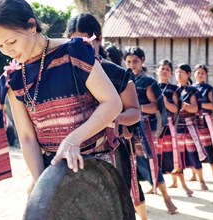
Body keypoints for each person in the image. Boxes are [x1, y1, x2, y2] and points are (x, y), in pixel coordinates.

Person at [0, 0, 122, 195]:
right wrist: (42, 184)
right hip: (51, 169)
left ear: (31, 26)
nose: (8, 51)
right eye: (0, 46)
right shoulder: (14, 78)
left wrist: (73, 140)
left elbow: (113, 103)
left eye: (12, 41)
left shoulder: (75, 52)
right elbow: (27, 138)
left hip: (94, 164)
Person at [66, 13, 145, 219]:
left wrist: (114, 119)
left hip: (110, 151)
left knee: (113, 206)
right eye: (71, 41)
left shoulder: (116, 73)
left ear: (98, 40)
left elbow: (135, 112)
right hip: (72, 151)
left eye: (83, 41)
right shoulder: (62, 73)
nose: (77, 47)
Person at [124, 47, 178, 214]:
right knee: (129, 165)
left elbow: (155, 106)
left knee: (149, 163)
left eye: (135, 61)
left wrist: (136, 108)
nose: (132, 65)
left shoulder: (148, 82)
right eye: (128, 62)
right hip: (126, 127)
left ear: (142, 61)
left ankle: (166, 197)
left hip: (144, 128)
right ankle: (136, 203)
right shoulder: (123, 79)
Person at [155, 60, 193, 196]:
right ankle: (154, 186)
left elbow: (176, 109)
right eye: (162, 68)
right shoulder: (152, 86)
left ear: (170, 73)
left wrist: (164, 102)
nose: (164, 71)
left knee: (174, 156)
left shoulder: (174, 89)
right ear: (157, 71)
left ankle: (183, 185)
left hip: (169, 126)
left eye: (167, 69)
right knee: (155, 157)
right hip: (154, 125)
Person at [174, 63, 208, 191]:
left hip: (189, 126)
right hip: (176, 127)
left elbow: (195, 109)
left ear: (188, 75)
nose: (179, 74)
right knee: (177, 156)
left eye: (181, 72)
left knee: (193, 153)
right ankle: (179, 183)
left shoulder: (193, 90)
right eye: (177, 72)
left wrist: (183, 105)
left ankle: (201, 181)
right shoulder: (174, 89)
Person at [192, 64, 213, 181]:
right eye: (198, 72)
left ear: (206, 75)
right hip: (192, 120)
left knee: (208, 146)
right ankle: (194, 174)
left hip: (205, 120)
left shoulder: (209, 88)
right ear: (194, 74)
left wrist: (197, 105)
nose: (200, 75)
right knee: (193, 146)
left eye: (202, 73)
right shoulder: (190, 88)